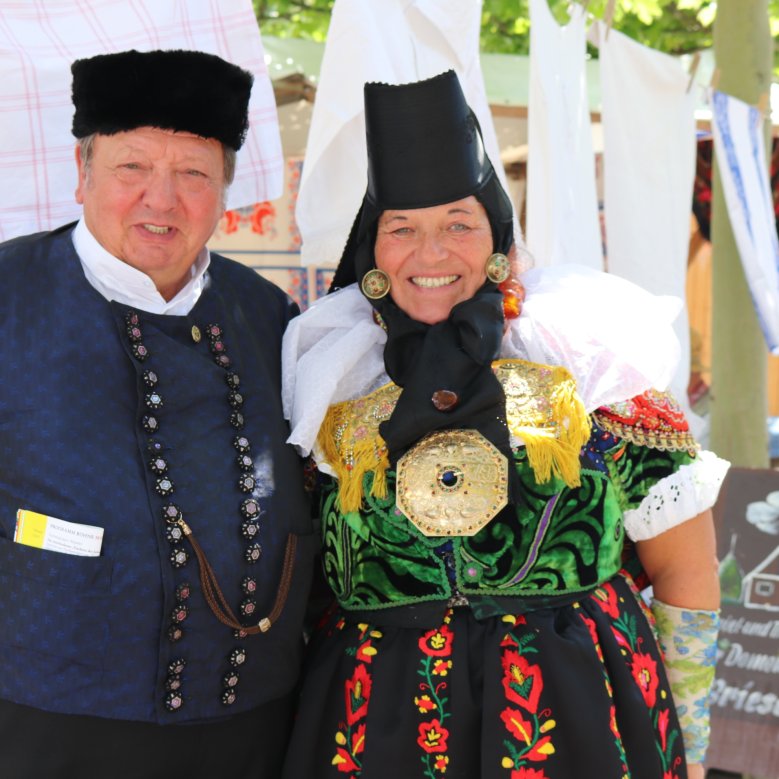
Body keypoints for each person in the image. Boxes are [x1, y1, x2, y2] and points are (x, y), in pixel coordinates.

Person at [281, 70, 728, 779]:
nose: (430, 254)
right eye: (403, 228)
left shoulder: (590, 367)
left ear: (495, 234)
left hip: (579, 721)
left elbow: (687, 569)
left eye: (457, 223)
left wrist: (694, 745)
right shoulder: (328, 383)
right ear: (374, 249)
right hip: (373, 729)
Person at [0, 49, 317, 778]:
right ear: (83, 175)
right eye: (132, 168)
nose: (161, 199)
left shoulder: (269, 315)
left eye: (193, 174)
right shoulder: (9, 293)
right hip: (46, 723)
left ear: (224, 192)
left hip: (249, 725)